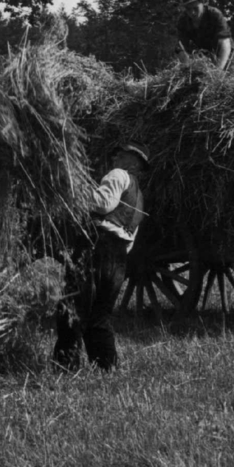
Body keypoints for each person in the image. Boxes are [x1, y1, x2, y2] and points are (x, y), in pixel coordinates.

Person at [53, 141, 149, 372]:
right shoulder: (138, 197)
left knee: (71, 305)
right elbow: (130, 237)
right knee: (100, 314)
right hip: (117, 256)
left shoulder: (118, 175)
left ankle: (66, 367)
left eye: (121, 154)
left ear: (133, 161)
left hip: (97, 246)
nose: (115, 158)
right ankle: (106, 367)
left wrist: (75, 194)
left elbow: (103, 203)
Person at [176, 0, 234, 69]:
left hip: (225, 53)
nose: (192, 12)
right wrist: (187, 68)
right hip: (206, 55)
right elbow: (180, 48)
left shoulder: (214, 15)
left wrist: (218, 71)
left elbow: (224, 43)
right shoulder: (183, 20)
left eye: (195, 8)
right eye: (188, 9)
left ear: (202, 3)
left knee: (229, 78)